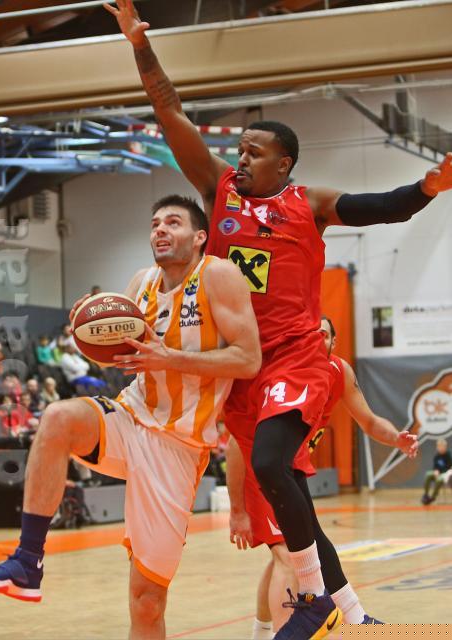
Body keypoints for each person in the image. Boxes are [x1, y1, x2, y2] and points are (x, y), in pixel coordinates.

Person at [105, 2, 452, 635]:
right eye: (239, 150)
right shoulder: (220, 190)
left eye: (254, 153)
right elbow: (169, 111)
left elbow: (381, 207)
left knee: (270, 464)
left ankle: (316, 599)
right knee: (284, 491)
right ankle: (350, 613)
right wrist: (140, 47)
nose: (240, 160)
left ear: (283, 164)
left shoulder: (308, 203)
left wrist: (426, 188)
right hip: (239, 365)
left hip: (294, 356)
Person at [0, 195, 261, 640]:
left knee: (147, 601)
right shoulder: (141, 282)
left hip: (178, 447)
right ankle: (28, 562)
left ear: (200, 237)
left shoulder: (218, 276)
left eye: (174, 223)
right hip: (130, 416)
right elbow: (119, 354)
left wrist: (171, 357)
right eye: (155, 223)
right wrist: (85, 330)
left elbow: (248, 359)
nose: (160, 229)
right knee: (58, 418)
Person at [227, 317, 419, 638]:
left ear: (333, 342)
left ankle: (347, 622)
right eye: (310, 335)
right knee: (287, 554)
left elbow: (370, 421)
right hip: (261, 470)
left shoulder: (338, 372)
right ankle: (291, 631)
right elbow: (237, 441)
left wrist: (395, 438)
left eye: (324, 335)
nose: (316, 340)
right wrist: (237, 509)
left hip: (291, 464)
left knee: (301, 546)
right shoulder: (282, 371)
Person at [421, 439, 452, 505]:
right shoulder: (436, 456)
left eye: (443, 446)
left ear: (445, 447)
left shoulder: (448, 455)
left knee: (439, 479)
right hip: (438, 473)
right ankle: (426, 495)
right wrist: (436, 471)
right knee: (428, 474)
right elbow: (435, 467)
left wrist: (441, 472)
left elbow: (449, 468)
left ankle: (433, 497)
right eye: (439, 446)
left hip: (446, 475)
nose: (441, 448)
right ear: (437, 447)